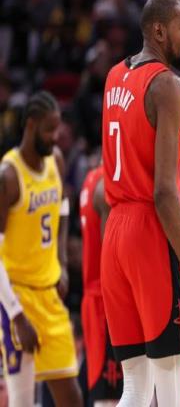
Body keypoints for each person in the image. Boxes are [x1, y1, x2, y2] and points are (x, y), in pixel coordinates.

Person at [101, 0, 180, 407]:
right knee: (172, 378)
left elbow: (142, 151)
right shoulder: (167, 82)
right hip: (149, 232)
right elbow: (165, 193)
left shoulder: (115, 76)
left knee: (136, 387)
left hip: (116, 233)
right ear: (158, 30)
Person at [0, 91, 83, 406]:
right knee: (22, 401)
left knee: (71, 397)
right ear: (31, 125)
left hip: (49, 296)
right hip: (16, 296)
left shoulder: (56, 160)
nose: (56, 136)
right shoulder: (9, 176)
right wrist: (17, 316)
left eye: (58, 128)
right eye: (50, 129)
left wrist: (61, 260)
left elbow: (63, 206)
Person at [80, 165, 123, 406]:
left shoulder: (91, 178)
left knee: (105, 392)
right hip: (106, 300)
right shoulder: (107, 185)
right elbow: (113, 259)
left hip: (94, 297)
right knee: (110, 396)